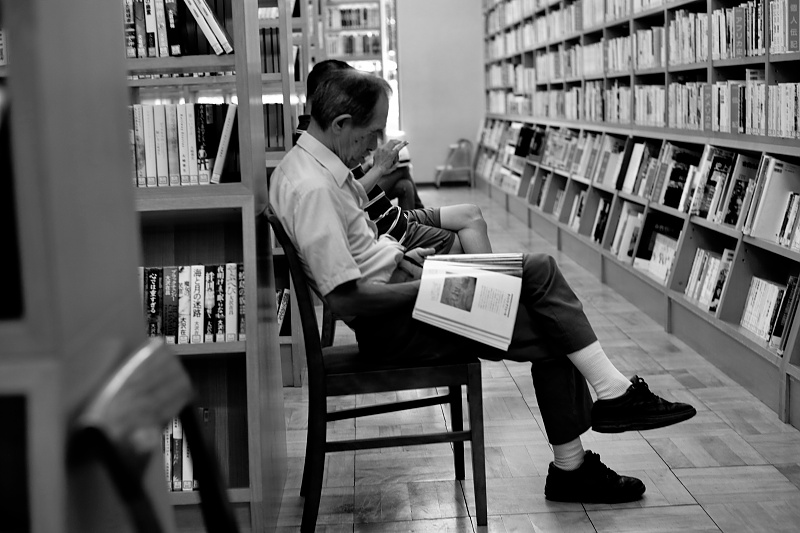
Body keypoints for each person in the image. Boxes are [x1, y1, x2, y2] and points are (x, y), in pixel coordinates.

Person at [269, 68, 697, 504]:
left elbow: (357, 254)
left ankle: (588, 440)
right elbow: (345, 299)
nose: (376, 145)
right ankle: (602, 414)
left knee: (546, 292)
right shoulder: (315, 188)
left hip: (407, 302)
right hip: (399, 324)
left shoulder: (311, 168)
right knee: (547, 296)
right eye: (373, 133)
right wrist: (427, 285)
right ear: (341, 124)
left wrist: (403, 258)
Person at [296, 59, 492, 255]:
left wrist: (375, 166)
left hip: (390, 216)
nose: (372, 145)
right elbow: (344, 198)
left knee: (472, 213)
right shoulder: (320, 142)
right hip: (385, 226)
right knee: (462, 241)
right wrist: (378, 168)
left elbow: (346, 187)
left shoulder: (324, 138)